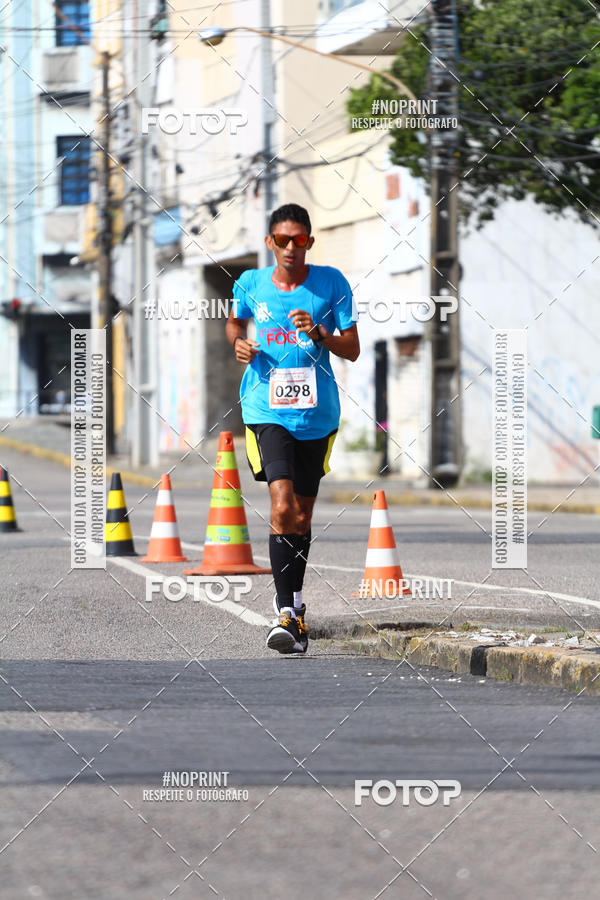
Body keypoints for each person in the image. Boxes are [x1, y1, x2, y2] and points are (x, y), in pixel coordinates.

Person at [226, 203, 360, 654]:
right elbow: (234, 321)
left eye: (298, 240)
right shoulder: (250, 283)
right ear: (270, 242)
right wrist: (239, 343)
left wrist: (321, 334)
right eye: (282, 239)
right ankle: (285, 612)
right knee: (282, 505)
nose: (290, 247)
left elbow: (353, 348)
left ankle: (296, 610)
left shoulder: (331, 283)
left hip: (316, 415)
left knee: (301, 516)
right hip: (267, 409)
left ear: (309, 242)